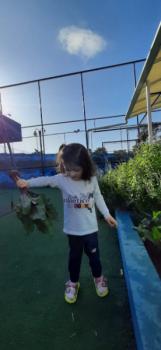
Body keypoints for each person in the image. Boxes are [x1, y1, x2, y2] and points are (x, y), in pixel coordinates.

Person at [16, 143, 117, 304]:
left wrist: (106, 214)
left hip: (90, 229)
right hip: (73, 231)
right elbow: (46, 180)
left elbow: (98, 196)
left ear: (85, 165)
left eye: (75, 169)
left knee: (94, 257)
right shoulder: (62, 179)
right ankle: (73, 283)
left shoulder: (91, 179)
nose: (71, 173)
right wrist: (27, 182)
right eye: (67, 168)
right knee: (74, 258)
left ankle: (98, 278)